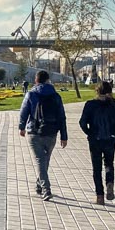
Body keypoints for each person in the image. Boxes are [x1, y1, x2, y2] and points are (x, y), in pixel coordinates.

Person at [18, 69, 68, 201]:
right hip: (51, 133)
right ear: (48, 80)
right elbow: (62, 117)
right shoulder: (56, 96)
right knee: (44, 160)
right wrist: (64, 136)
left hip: (34, 132)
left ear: (36, 80)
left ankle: (46, 189)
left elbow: (24, 111)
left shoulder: (31, 94)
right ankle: (39, 186)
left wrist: (21, 127)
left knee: (41, 160)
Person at [78, 82, 115, 205]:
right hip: (110, 140)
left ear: (97, 91)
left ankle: (100, 196)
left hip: (95, 140)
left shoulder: (90, 105)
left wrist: (89, 133)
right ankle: (109, 183)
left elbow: (82, 122)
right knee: (109, 164)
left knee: (96, 169)